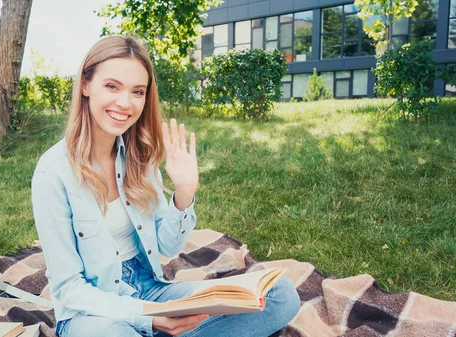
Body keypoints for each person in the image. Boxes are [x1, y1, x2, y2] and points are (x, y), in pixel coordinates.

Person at [31, 35, 300, 337]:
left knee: (279, 294)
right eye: (112, 86)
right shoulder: (52, 174)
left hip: (151, 290)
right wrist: (147, 318)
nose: (125, 102)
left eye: (137, 92)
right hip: (92, 313)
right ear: (85, 85)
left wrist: (184, 192)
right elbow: (69, 289)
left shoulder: (138, 155)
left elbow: (167, 247)